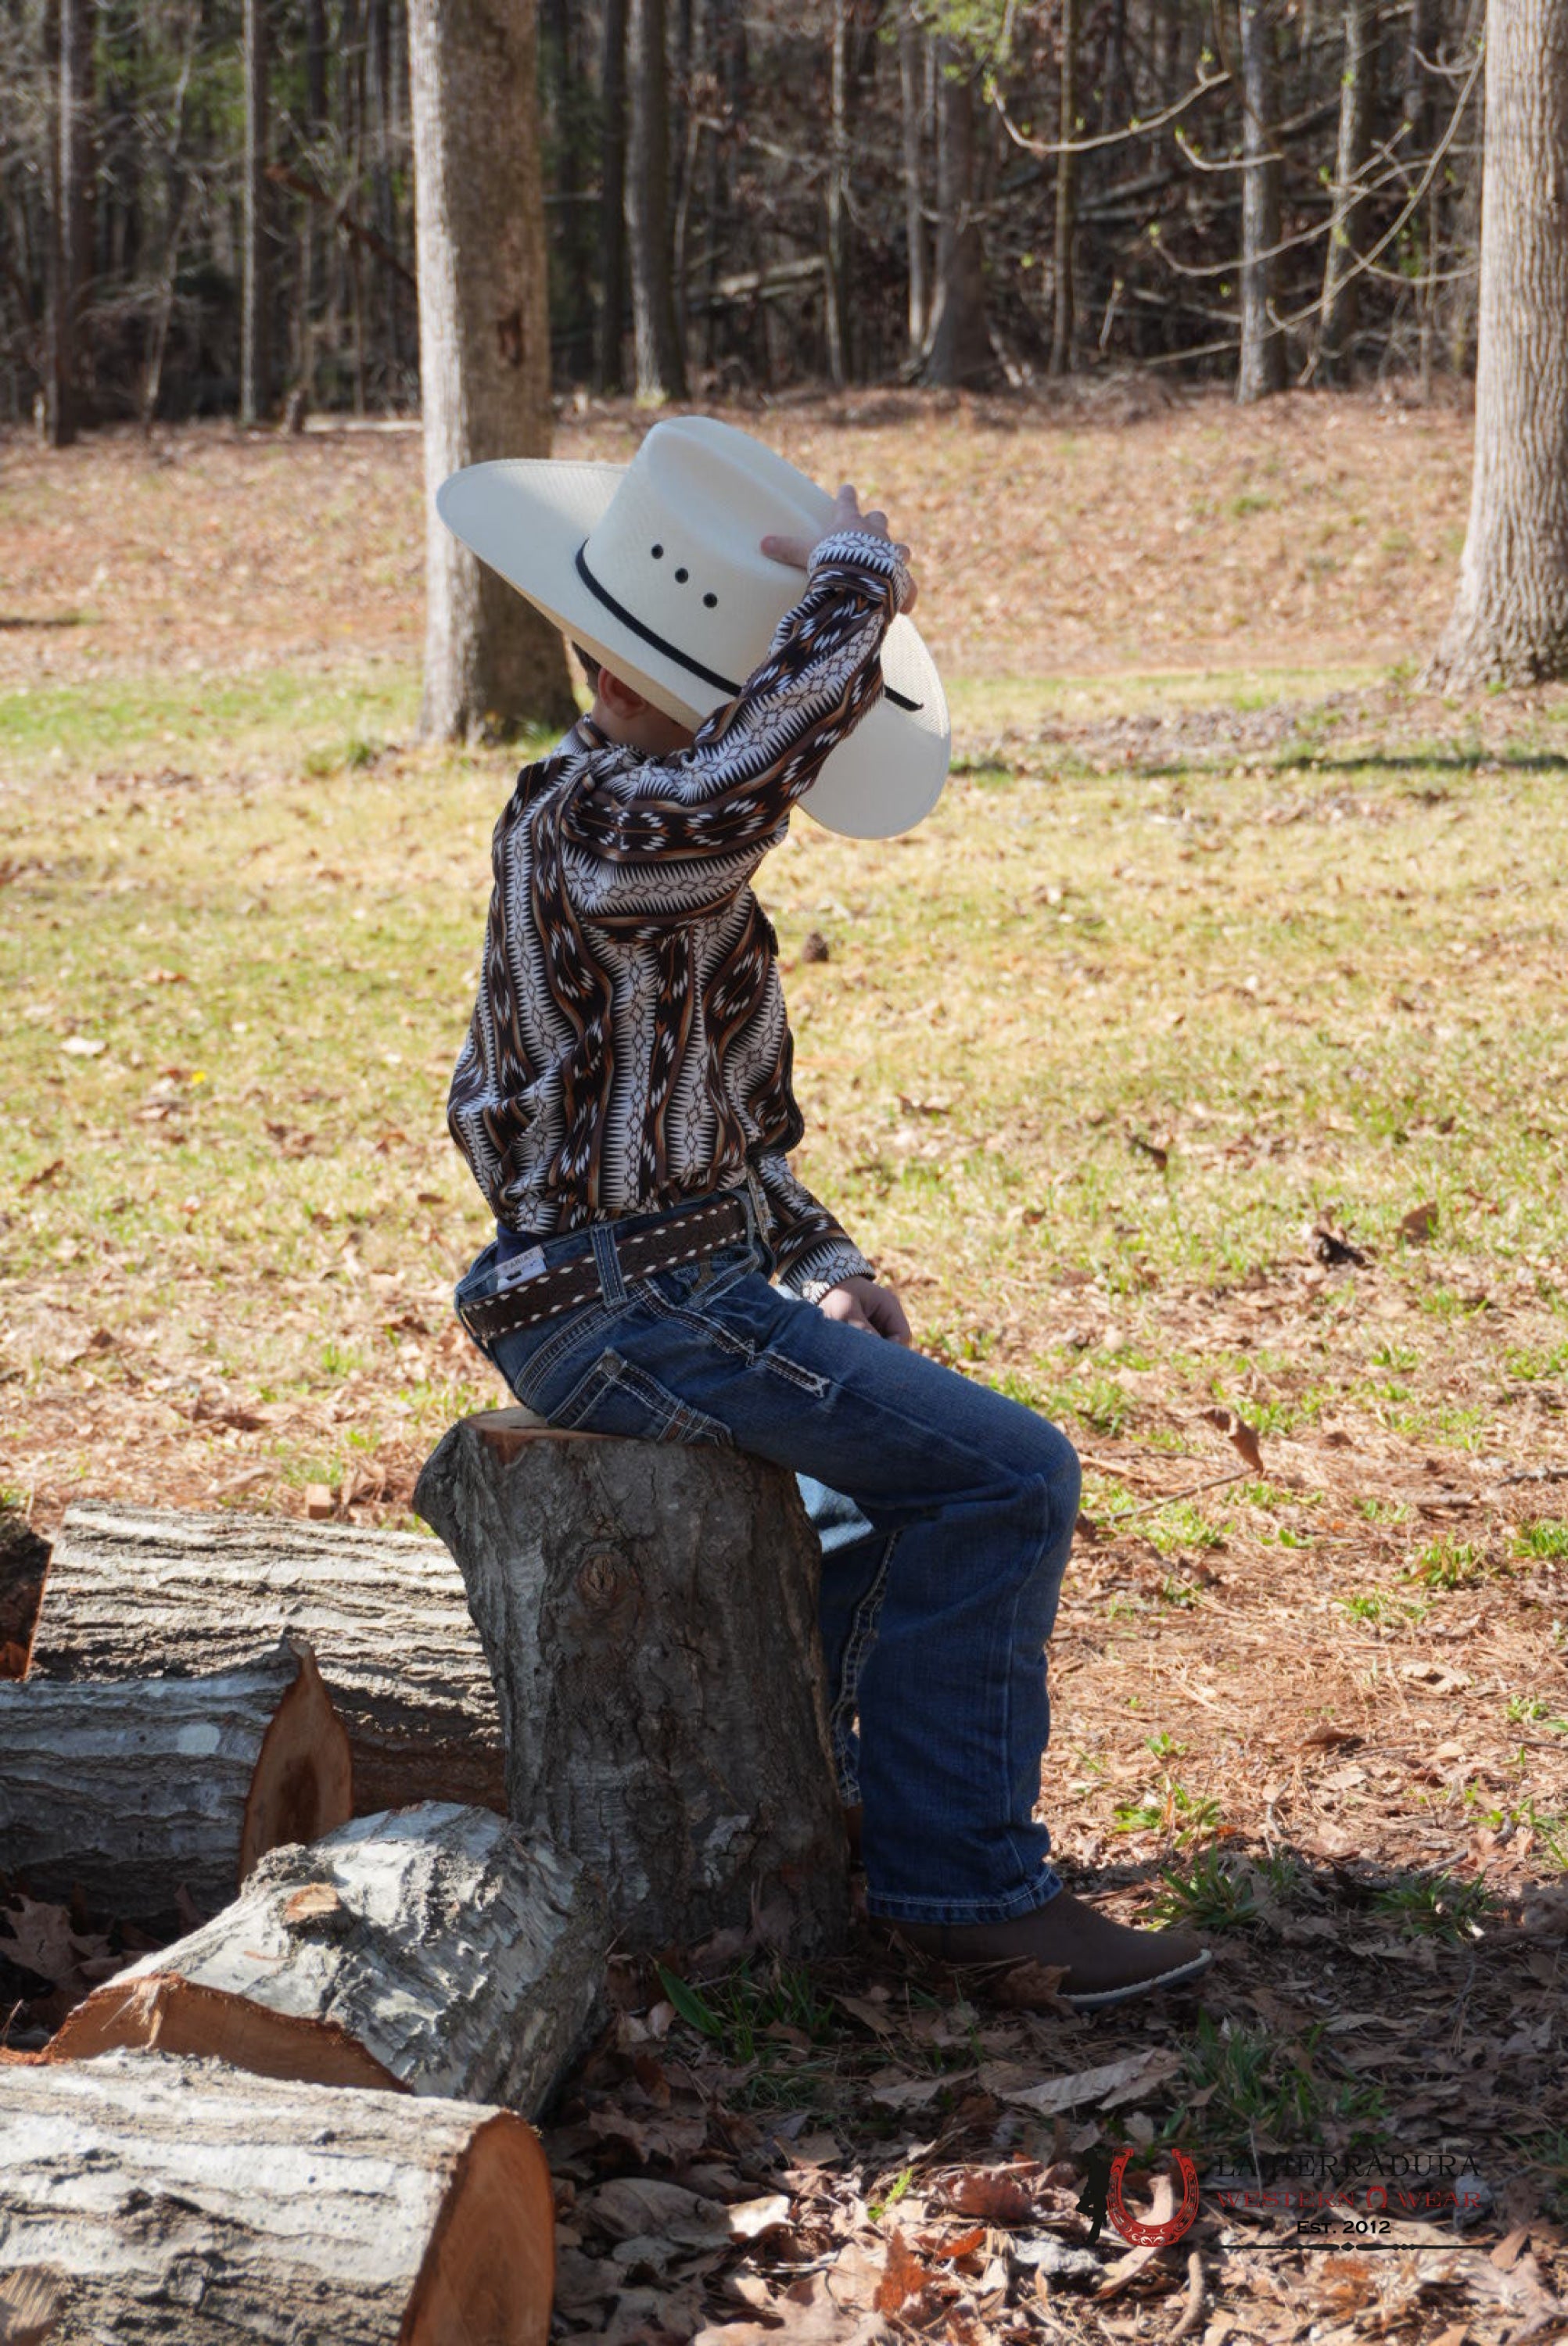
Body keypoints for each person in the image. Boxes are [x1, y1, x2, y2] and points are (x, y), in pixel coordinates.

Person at [438, 417, 1209, 2010]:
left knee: (868, 1509)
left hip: (668, 1280)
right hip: (617, 1301)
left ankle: (858, 1820)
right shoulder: (604, 830)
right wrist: (855, 588)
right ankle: (962, 1882)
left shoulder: (664, 853)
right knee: (1010, 1477)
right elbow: (740, 780)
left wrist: (822, 1254)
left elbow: (709, 1135)